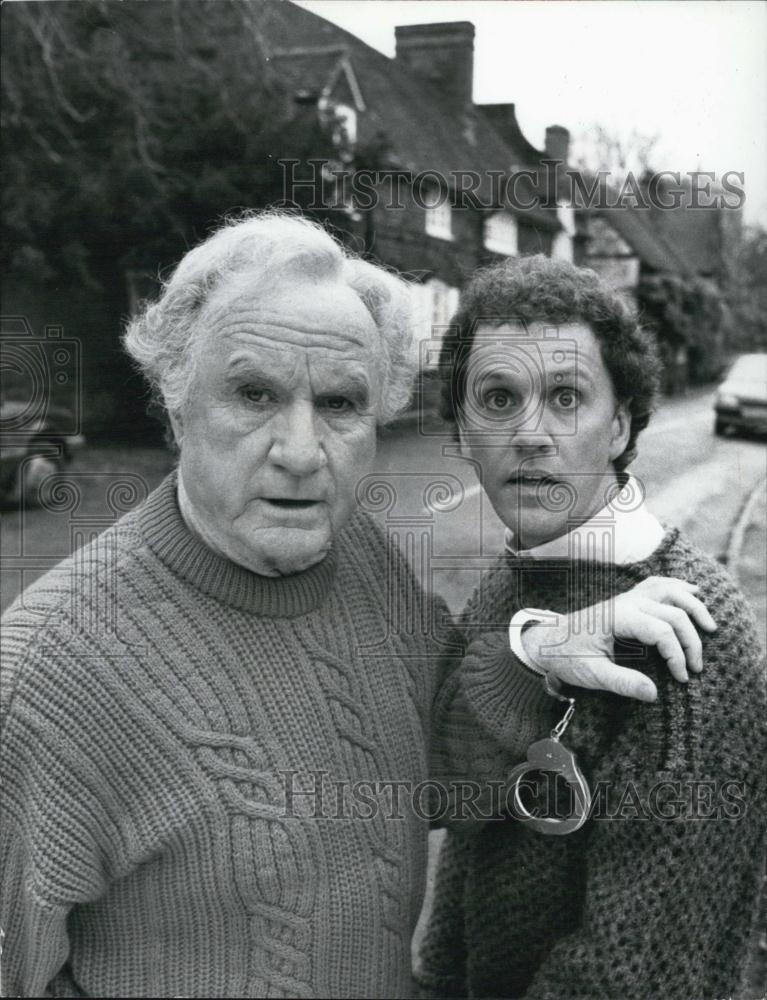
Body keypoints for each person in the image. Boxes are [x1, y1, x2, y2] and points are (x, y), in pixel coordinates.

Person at [1, 216, 715, 999]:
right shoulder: (44, 676)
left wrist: (535, 657)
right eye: (253, 394)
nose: (300, 453)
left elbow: (432, 773)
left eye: (339, 403)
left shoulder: (360, 556)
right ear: (176, 406)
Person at [416, 255, 767, 1000]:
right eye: (498, 398)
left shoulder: (688, 636)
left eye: (566, 397)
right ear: (463, 430)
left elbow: (638, 974)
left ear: (619, 425)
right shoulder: (513, 581)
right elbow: (457, 811)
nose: (529, 434)